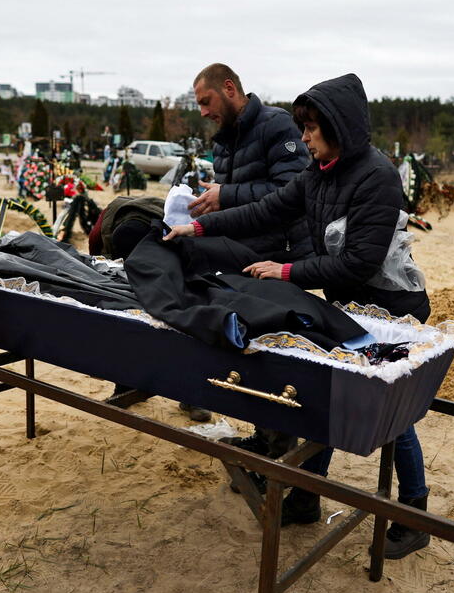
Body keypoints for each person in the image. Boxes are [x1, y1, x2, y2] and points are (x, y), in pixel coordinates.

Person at [166, 73, 432, 560]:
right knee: (327, 397)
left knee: (393, 416)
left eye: (311, 128)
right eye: (303, 127)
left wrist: (286, 270)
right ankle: (308, 496)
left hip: (393, 312)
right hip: (349, 306)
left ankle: (415, 515)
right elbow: (266, 210)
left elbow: (360, 261)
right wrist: (200, 224)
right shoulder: (319, 171)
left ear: (339, 126)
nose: (304, 137)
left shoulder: (377, 175)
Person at [184, 64, 313, 434]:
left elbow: (290, 191)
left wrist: (227, 194)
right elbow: (237, 197)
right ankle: (206, 395)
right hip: (241, 253)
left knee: (273, 352)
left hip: (280, 255)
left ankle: (276, 439)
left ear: (229, 88)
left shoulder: (278, 126)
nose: (203, 112)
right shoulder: (224, 139)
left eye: (206, 102)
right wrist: (210, 200)